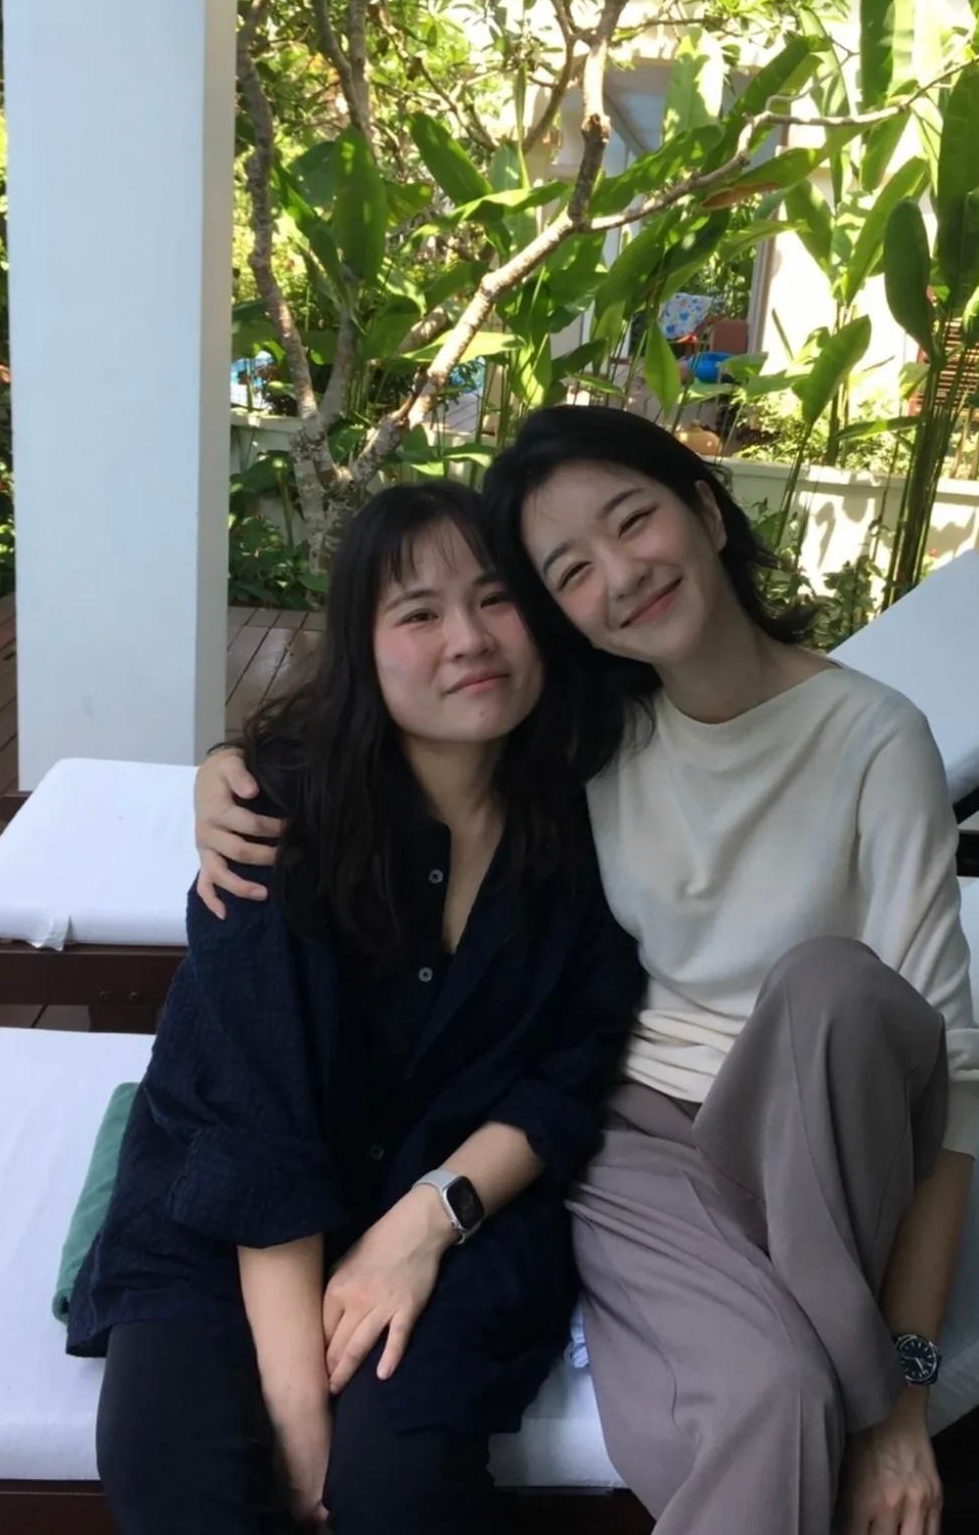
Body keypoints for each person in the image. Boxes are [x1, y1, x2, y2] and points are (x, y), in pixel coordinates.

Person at [195, 407, 979, 1535]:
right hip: (641, 1147)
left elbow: (952, 1089)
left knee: (830, 986)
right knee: (771, 1396)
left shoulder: (874, 738)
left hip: (818, 1134)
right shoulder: (588, 737)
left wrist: (903, 1405)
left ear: (705, 508)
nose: (619, 577)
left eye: (633, 521)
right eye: (569, 570)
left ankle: (848, 1370)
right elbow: (382, 733)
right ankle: (810, 1355)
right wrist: (228, 769)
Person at [69, 481, 644, 1535]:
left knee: (399, 1488)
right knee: (179, 1477)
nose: (468, 639)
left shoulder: (594, 815)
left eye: (495, 599)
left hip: (459, 1198)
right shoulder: (275, 819)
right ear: (360, 648)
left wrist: (426, 1222)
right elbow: (255, 1122)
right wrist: (300, 1411)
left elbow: (571, 1069)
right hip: (226, 1215)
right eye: (418, 612)